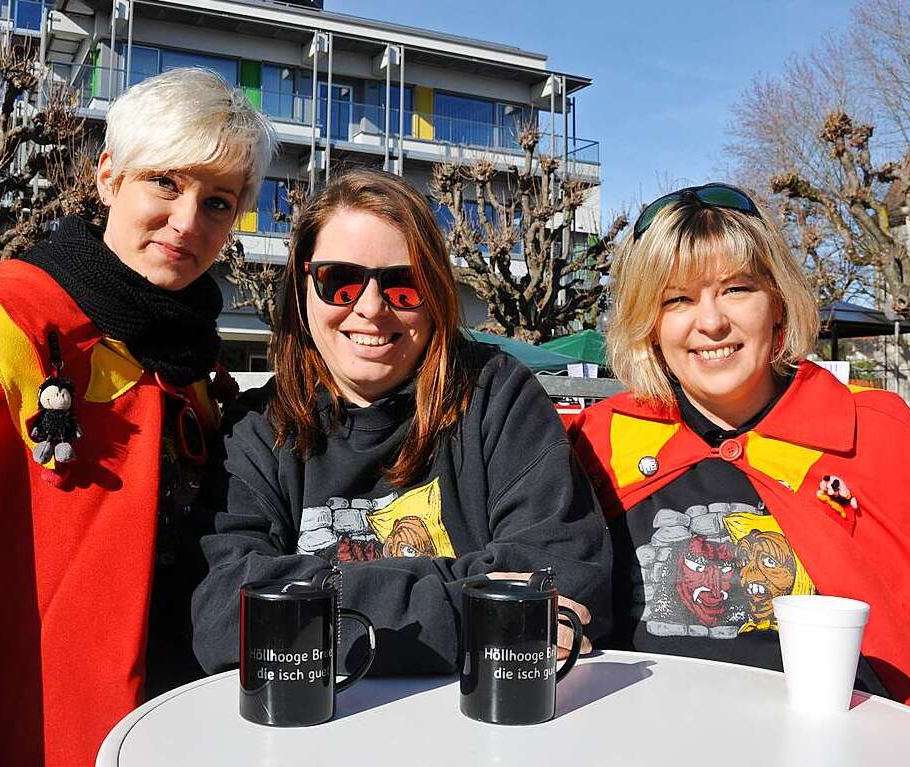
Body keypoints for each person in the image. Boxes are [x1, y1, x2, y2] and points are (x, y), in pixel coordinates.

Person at [0, 68, 276, 766]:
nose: (188, 222)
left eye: (218, 202)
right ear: (108, 178)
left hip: (182, 727)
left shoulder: (194, 372)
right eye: (165, 181)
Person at [192, 168, 611, 675]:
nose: (371, 308)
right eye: (340, 281)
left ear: (434, 294)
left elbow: (568, 578)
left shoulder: (498, 396)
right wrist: (480, 612)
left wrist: (303, 602)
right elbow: (220, 616)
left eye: (403, 285)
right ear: (303, 285)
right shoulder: (257, 426)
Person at [569, 183, 910, 707]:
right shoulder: (596, 441)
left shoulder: (877, 433)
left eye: (736, 289)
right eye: (677, 299)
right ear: (650, 325)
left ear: (777, 303)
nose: (711, 322)